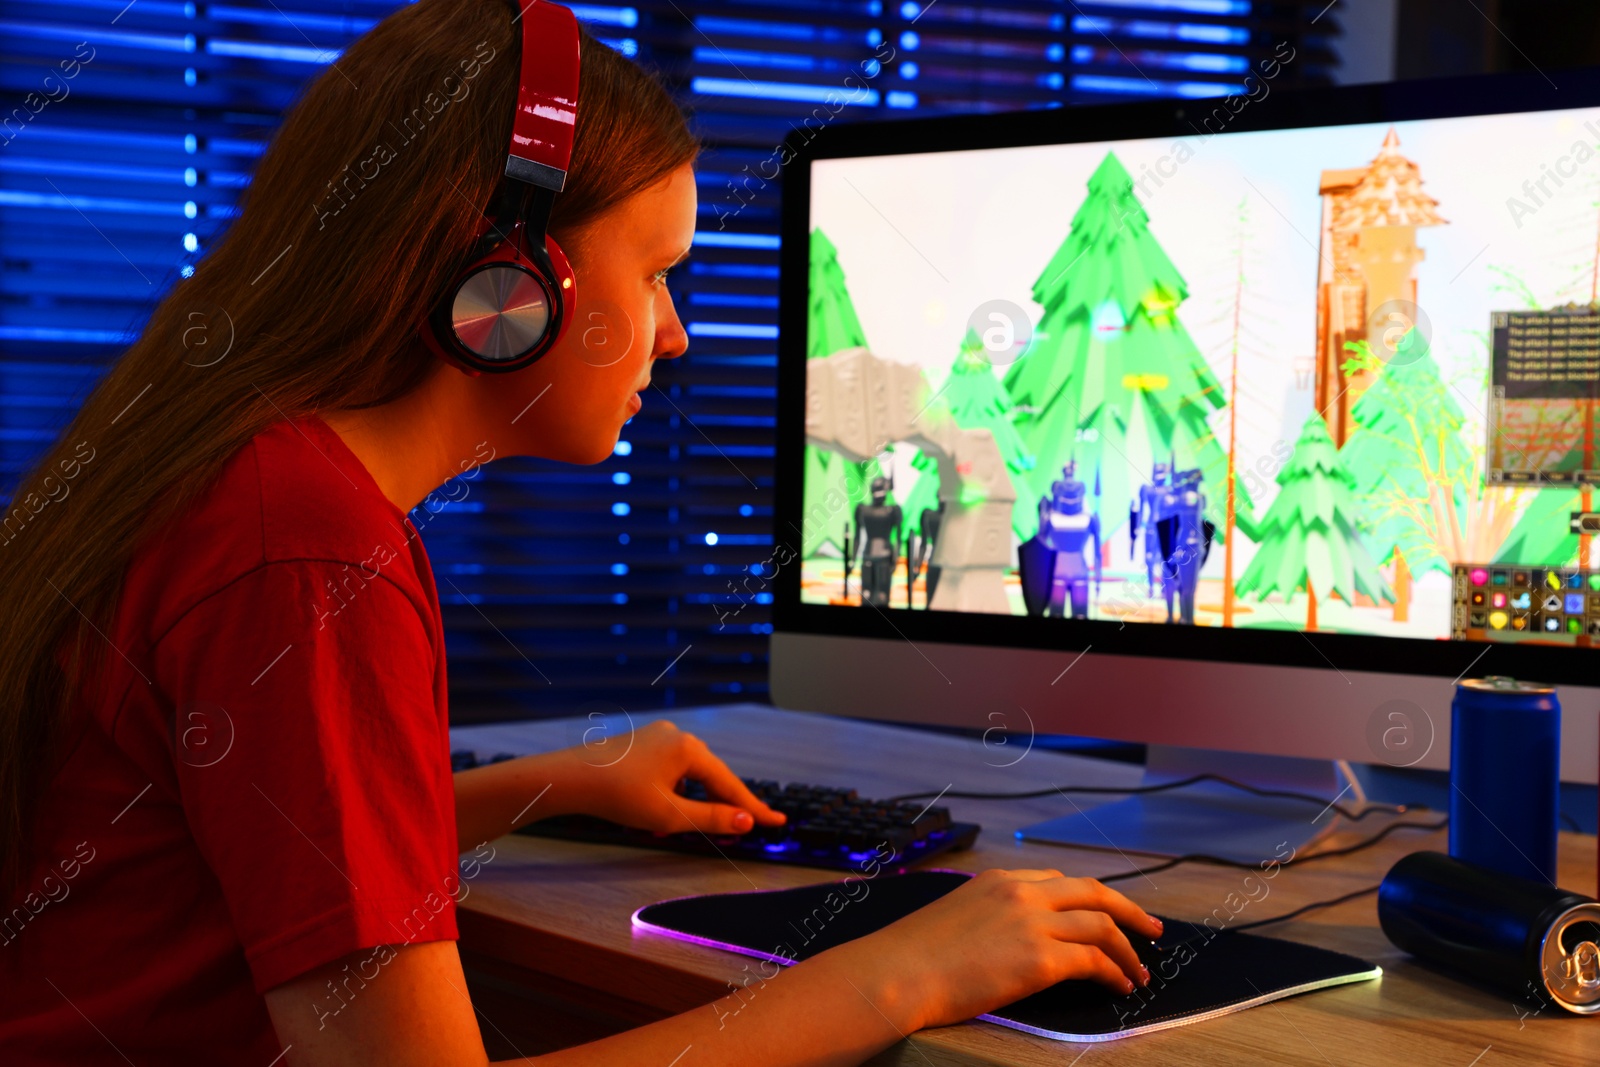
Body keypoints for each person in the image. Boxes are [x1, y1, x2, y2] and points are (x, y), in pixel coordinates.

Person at [0, 2, 1160, 1063]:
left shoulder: (238, 470)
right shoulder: (308, 555)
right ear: (508, 276)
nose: (676, 332)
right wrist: (909, 969)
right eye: (657, 272)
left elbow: (229, 836)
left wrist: (550, 785)